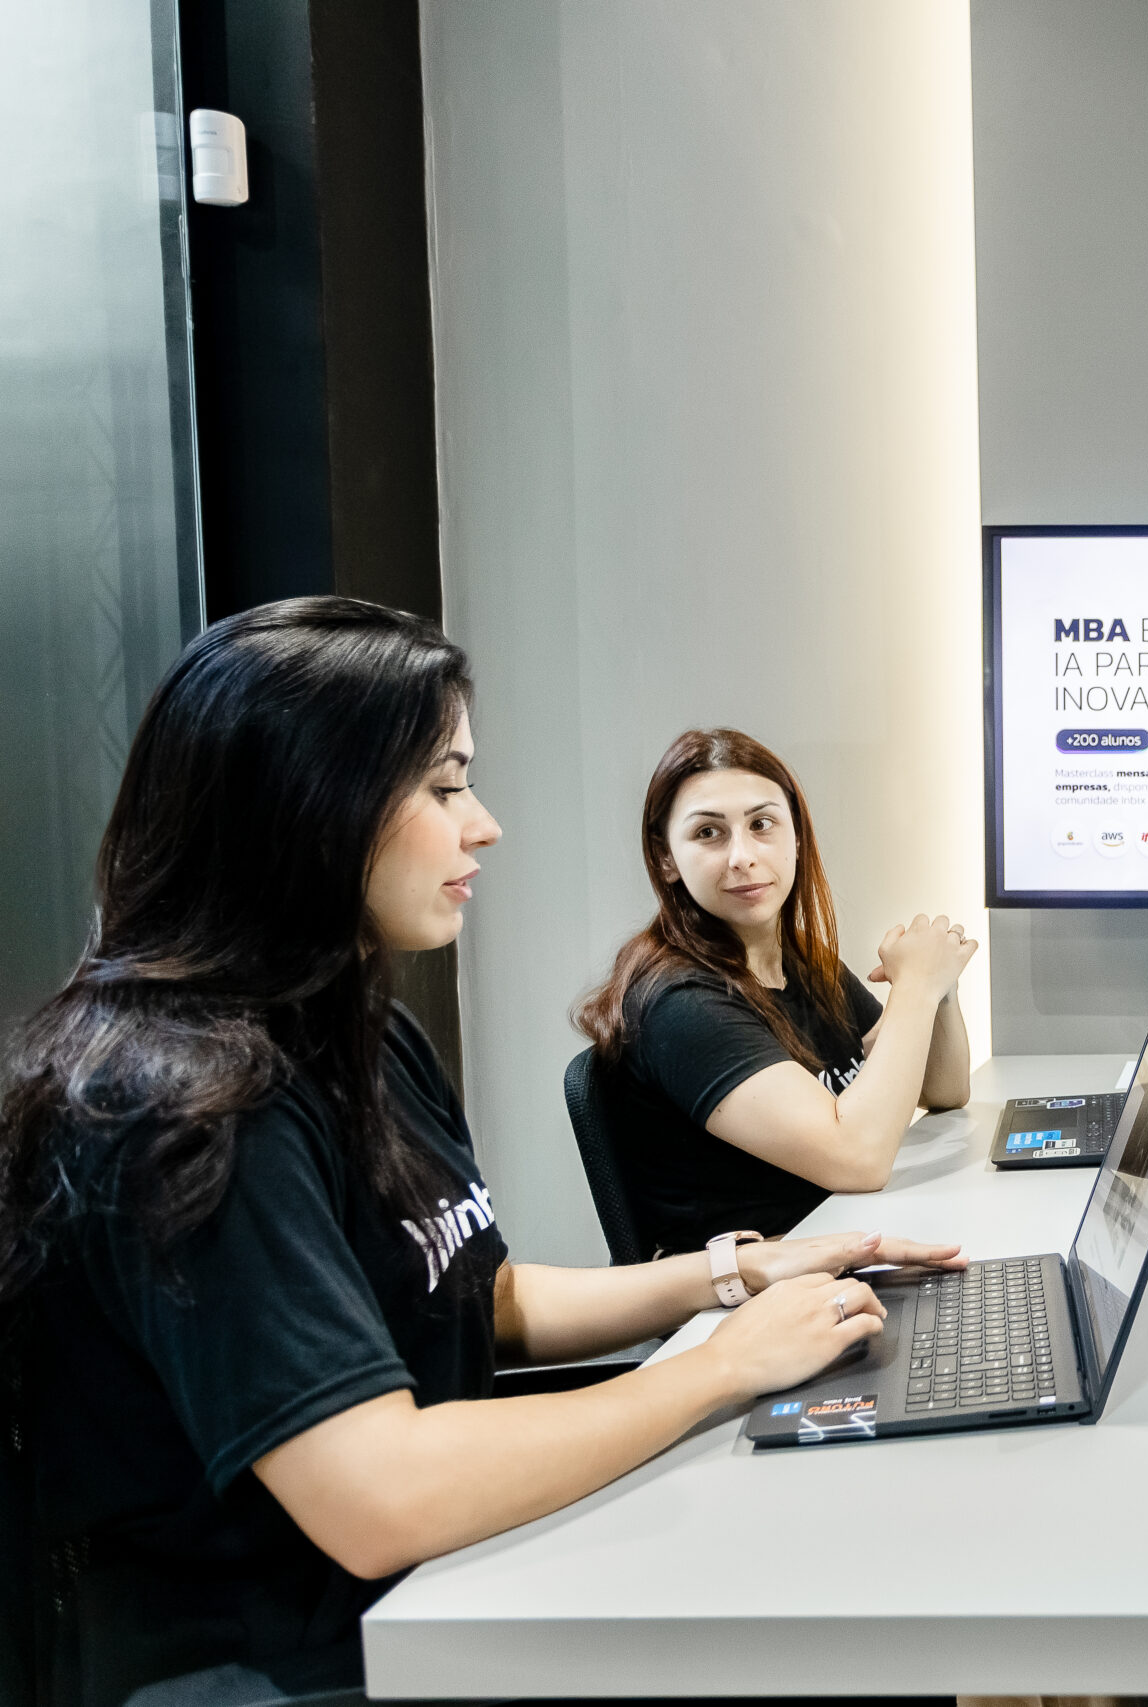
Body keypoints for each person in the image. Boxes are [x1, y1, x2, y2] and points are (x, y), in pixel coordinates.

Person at [0, 599, 963, 1707]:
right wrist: (722, 1364)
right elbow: (379, 1498)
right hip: (289, 1662)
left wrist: (734, 1274)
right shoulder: (187, 1107)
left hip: (426, 1593)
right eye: (446, 787)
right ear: (309, 803)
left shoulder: (358, 1030)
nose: (485, 824)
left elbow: (481, 1295)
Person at [576, 728, 975, 1255]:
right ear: (667, 858)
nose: (742, 855)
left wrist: (937, 989)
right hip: (744, 1307)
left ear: (797, 838)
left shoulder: (804, 963)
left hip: (837, 1251)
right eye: (708, 834)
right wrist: (917, 987)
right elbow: (859, 1158)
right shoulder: (681, 1003)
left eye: (762, 825)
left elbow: (944, 1091)